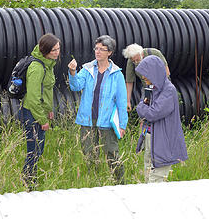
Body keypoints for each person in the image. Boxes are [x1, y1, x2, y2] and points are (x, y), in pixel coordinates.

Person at [68, 35, 128, 184]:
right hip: (87, 120)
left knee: (111, 154)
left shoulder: (117, 74)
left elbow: (122, 101)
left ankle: (120, 183)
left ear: (110, 52)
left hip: (107, 121)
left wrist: (122, 125)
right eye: (96, 48)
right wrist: (73, 73)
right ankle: (94, 182)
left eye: (102, 49)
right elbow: (76, 86)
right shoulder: (87, 69)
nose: (98, 52)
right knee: (89, 154)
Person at [135, 55, 188, 183]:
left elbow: (153, 113)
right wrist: (143, 108)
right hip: (149, 138)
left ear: (154, 72)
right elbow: (141, 109)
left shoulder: (168, 90)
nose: (143, 77)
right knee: (148, 173)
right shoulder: (150, 89)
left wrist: (143, 108)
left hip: (163, 142)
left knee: (156, 179)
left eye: (145, 73)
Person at [19, 33, 60, 189]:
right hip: (32, 113)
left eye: (58, 49)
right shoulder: (37, 67)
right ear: (45, 50)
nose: (57, 53)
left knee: (38, 149)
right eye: (54, 50)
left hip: (40, 111)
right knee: (34, 150)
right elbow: (35, 97)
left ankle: (30, 178)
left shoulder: (48, 64)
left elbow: (46, 91)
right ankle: (28, 182)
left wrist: (49, 110)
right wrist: (42, 120)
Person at [122, 43, 170, 112]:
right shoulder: (131, 61)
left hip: (162, 87)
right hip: (147, 89)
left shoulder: (154, 53)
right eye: (133, 61)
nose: (136, 62)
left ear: (141, 54)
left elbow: (167, 72)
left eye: (137, 59)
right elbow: (129, 81)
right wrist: (127, 101)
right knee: (144, 112)